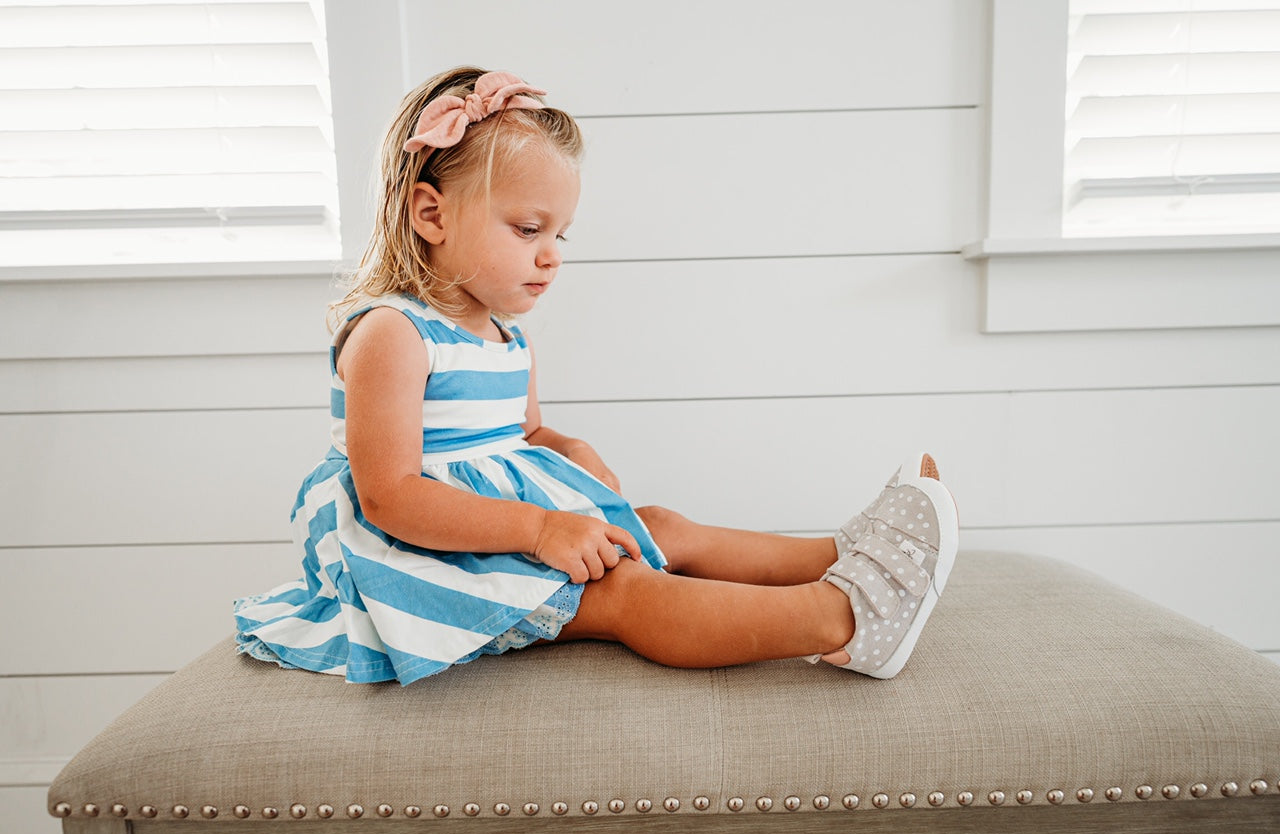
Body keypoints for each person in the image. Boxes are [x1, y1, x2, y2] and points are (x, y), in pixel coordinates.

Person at [233, 67, 959, 686]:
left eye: (560, 236)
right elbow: (389, 496)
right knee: (625, 595)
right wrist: (541, 526)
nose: (552, 257)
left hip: (501, 530)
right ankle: (842, 619)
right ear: (431, 214)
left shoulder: (506, 338)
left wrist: (564, 446)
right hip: (418, 560)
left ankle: (844, 557)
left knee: (663, 525)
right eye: (527, 230)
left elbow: (521, 434)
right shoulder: (392, 334)